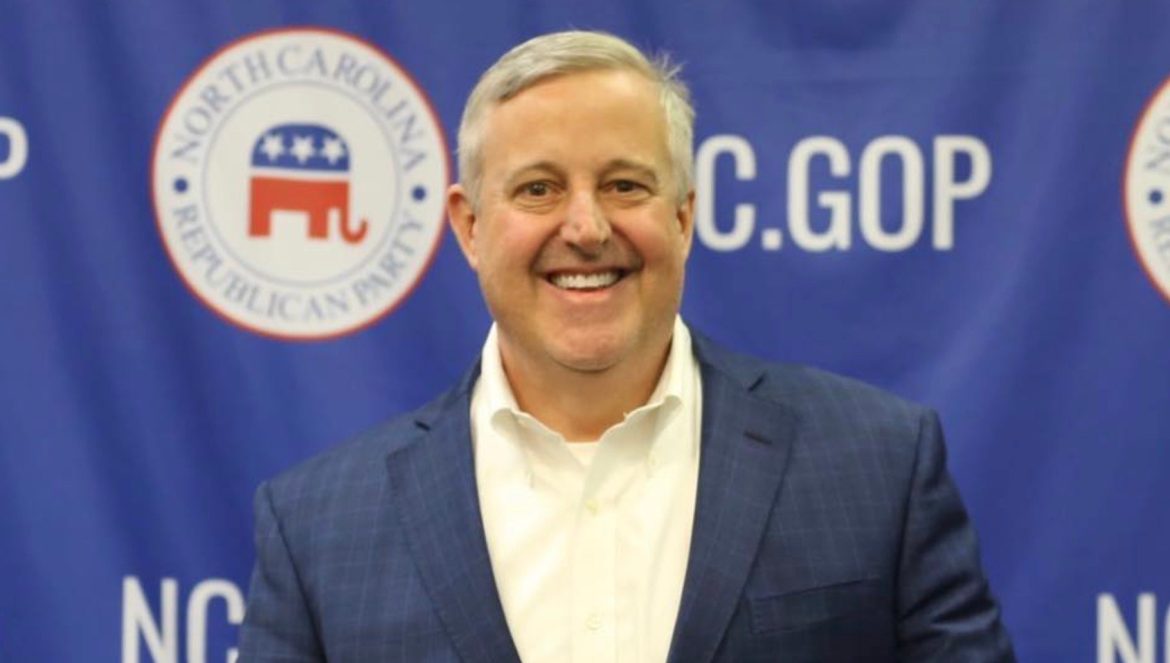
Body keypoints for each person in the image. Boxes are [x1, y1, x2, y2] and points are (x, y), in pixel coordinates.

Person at [238, 30, 1015, 662]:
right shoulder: (317, 528)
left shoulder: (877, 466)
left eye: (624, 185)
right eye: (538, 188)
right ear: (470, 226)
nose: (586, 227)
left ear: (683, 216)